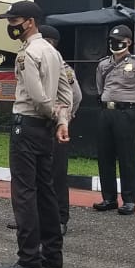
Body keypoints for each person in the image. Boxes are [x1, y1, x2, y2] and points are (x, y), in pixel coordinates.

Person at [0, 1, 71, 268]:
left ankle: (28, 260)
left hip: (26, 125)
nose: (11, 25)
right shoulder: (52, 51)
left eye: (15, 20)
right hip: (45, 128)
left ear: (30, 22)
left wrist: (51, 113)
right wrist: (61, 121)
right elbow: (66, 92)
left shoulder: (27, 54)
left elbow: (38, 97)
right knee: (46, 190)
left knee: (24, 193)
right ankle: (53, 254)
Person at [93, 24, 135, 216]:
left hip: (127, 112)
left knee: (127, 157)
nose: (115, 43)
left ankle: (129, 200)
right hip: (106, 112)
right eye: (112, 39)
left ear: (129, 42)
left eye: (120, 40)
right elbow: (99, 88)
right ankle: (109, 198)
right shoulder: (104, 64)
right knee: (105, 156)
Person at [43, 25, 82, 233]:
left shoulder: (63, 68)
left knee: (57, 172)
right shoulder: (36, 64)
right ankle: (33, 217)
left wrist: (64, 118)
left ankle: (60, 218)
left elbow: (76, 97)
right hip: (36, 124)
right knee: (34, 174)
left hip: (55, 125)